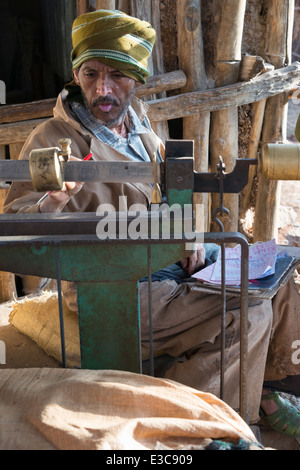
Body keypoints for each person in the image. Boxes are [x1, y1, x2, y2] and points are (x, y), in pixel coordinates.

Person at [4, 9, 300, 437]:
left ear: (138, 78)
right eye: (91, 74)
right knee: (246, 315)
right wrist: (53, 198)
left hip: (163, 263)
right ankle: (190, 427)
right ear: (75, 73)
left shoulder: (141, 127)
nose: (103, 89)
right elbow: (14, 225)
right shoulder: (53, 141)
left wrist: (189, 237)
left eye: (118, 76)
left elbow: (166, 202)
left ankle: (268, 391)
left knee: (277, 275)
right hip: (112, 283)